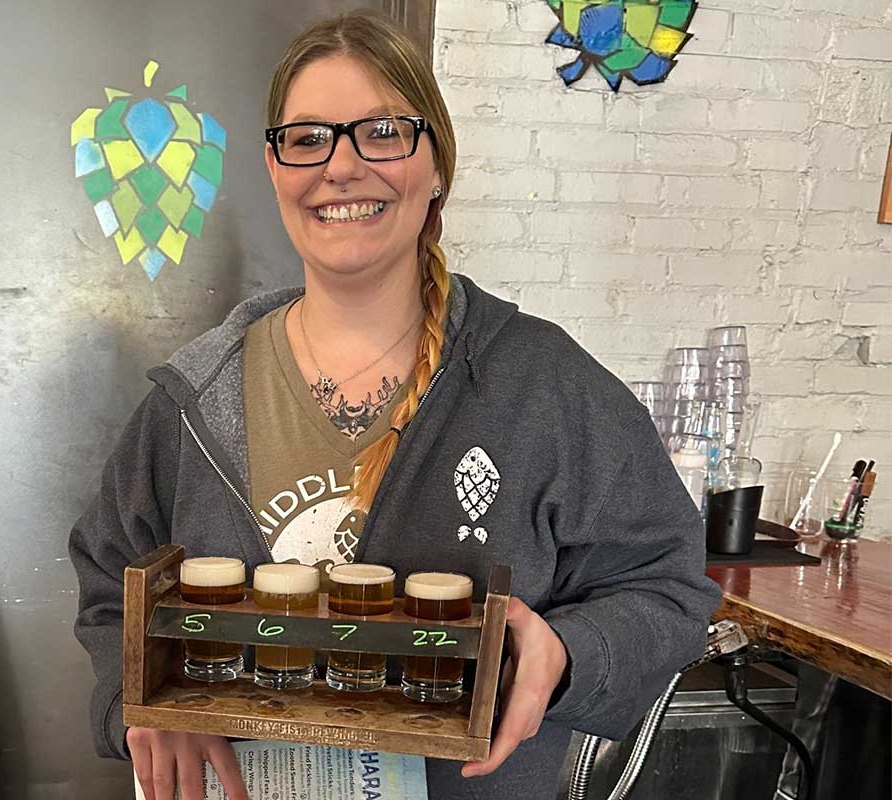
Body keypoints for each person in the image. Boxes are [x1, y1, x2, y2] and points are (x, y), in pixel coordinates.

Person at [70, 10, 721, 800]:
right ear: (275, 168)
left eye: (382, 131)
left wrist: (571, 652)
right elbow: (111, 579)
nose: (340, 167)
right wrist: (141, 698)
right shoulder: (194, 399)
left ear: (438, 163)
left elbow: (669, 584)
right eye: (307, 138)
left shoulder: (544, 384)